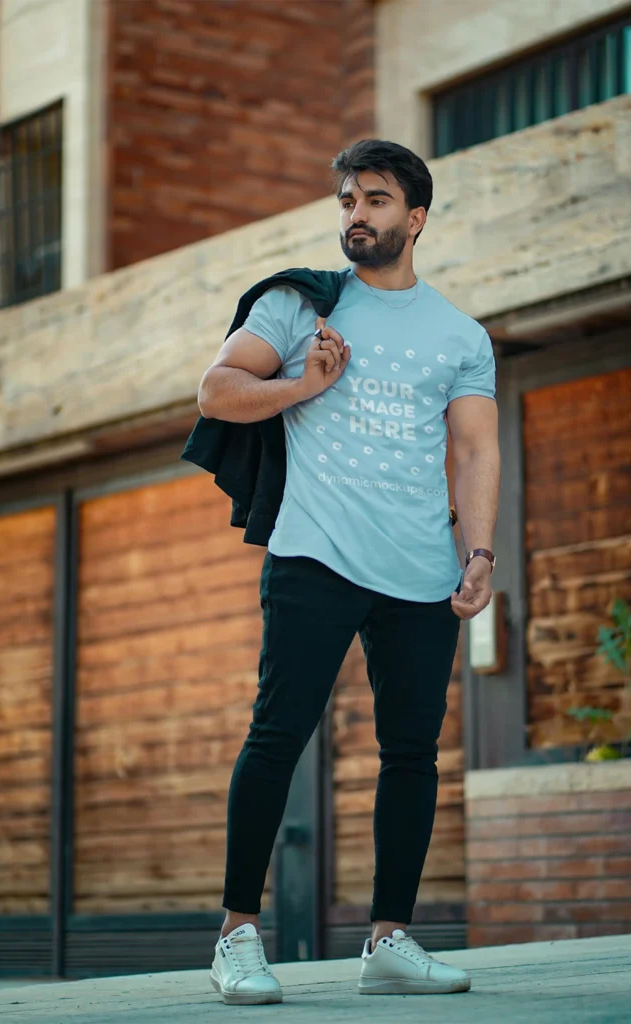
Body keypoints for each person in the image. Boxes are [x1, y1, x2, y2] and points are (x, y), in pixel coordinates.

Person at [200, 139, 500, 1005]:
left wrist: (477, 553)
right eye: (345, 200)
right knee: (277, 735)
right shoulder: (302, 306)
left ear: (414, 217)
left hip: (417, 567)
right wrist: (302, 387)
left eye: (373, 199)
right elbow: (216, 391)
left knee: (411, 754)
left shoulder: (459, 334)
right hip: (315, 553)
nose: (354, 214)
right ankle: (237, 937)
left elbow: (475, 449)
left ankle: (389, 941)